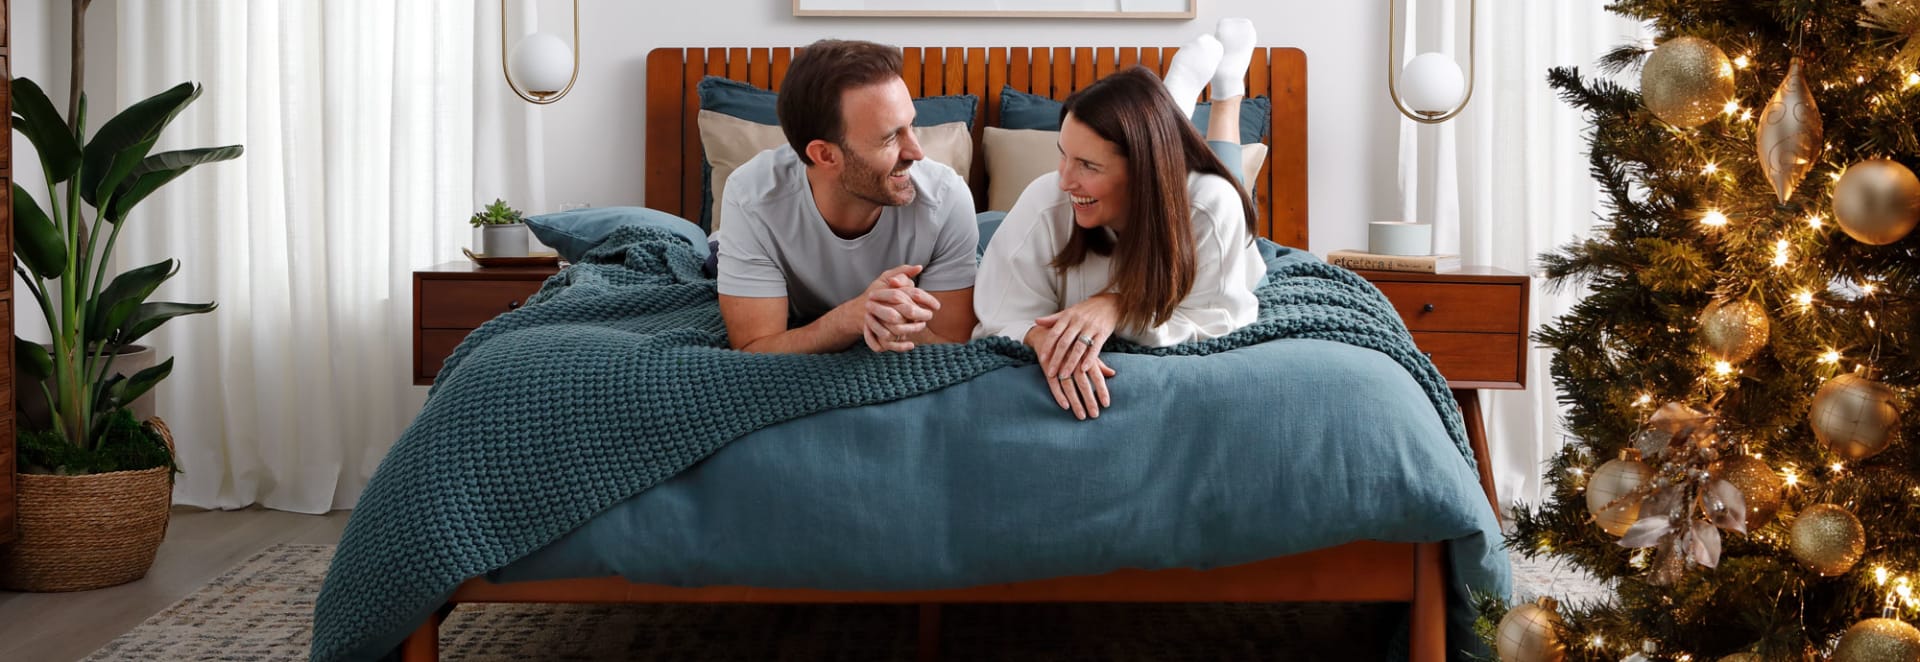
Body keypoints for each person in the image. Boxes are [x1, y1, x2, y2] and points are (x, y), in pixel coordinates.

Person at [972, 19, 1265, 420]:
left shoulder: (1212, 211)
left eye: (1087, 165)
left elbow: (1220, 321)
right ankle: (1170, 108)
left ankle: (1226, 91)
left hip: (1198, 206)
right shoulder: (1046, 198)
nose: (1064, 179)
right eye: (1063, 154)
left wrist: (1119, 307)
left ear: (1143, 170)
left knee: (1233, 194)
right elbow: (998, 318)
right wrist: (1042, 338)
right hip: (997, 225)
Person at [716, 39, 980, 354]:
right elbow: (753, 348)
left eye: (912, 126)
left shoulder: (947, 198)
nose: (916, 152)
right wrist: (849, 318)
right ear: (825, 155)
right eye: (890, 137)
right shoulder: (751, 198)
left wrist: (896, 324)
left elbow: (951, 345)